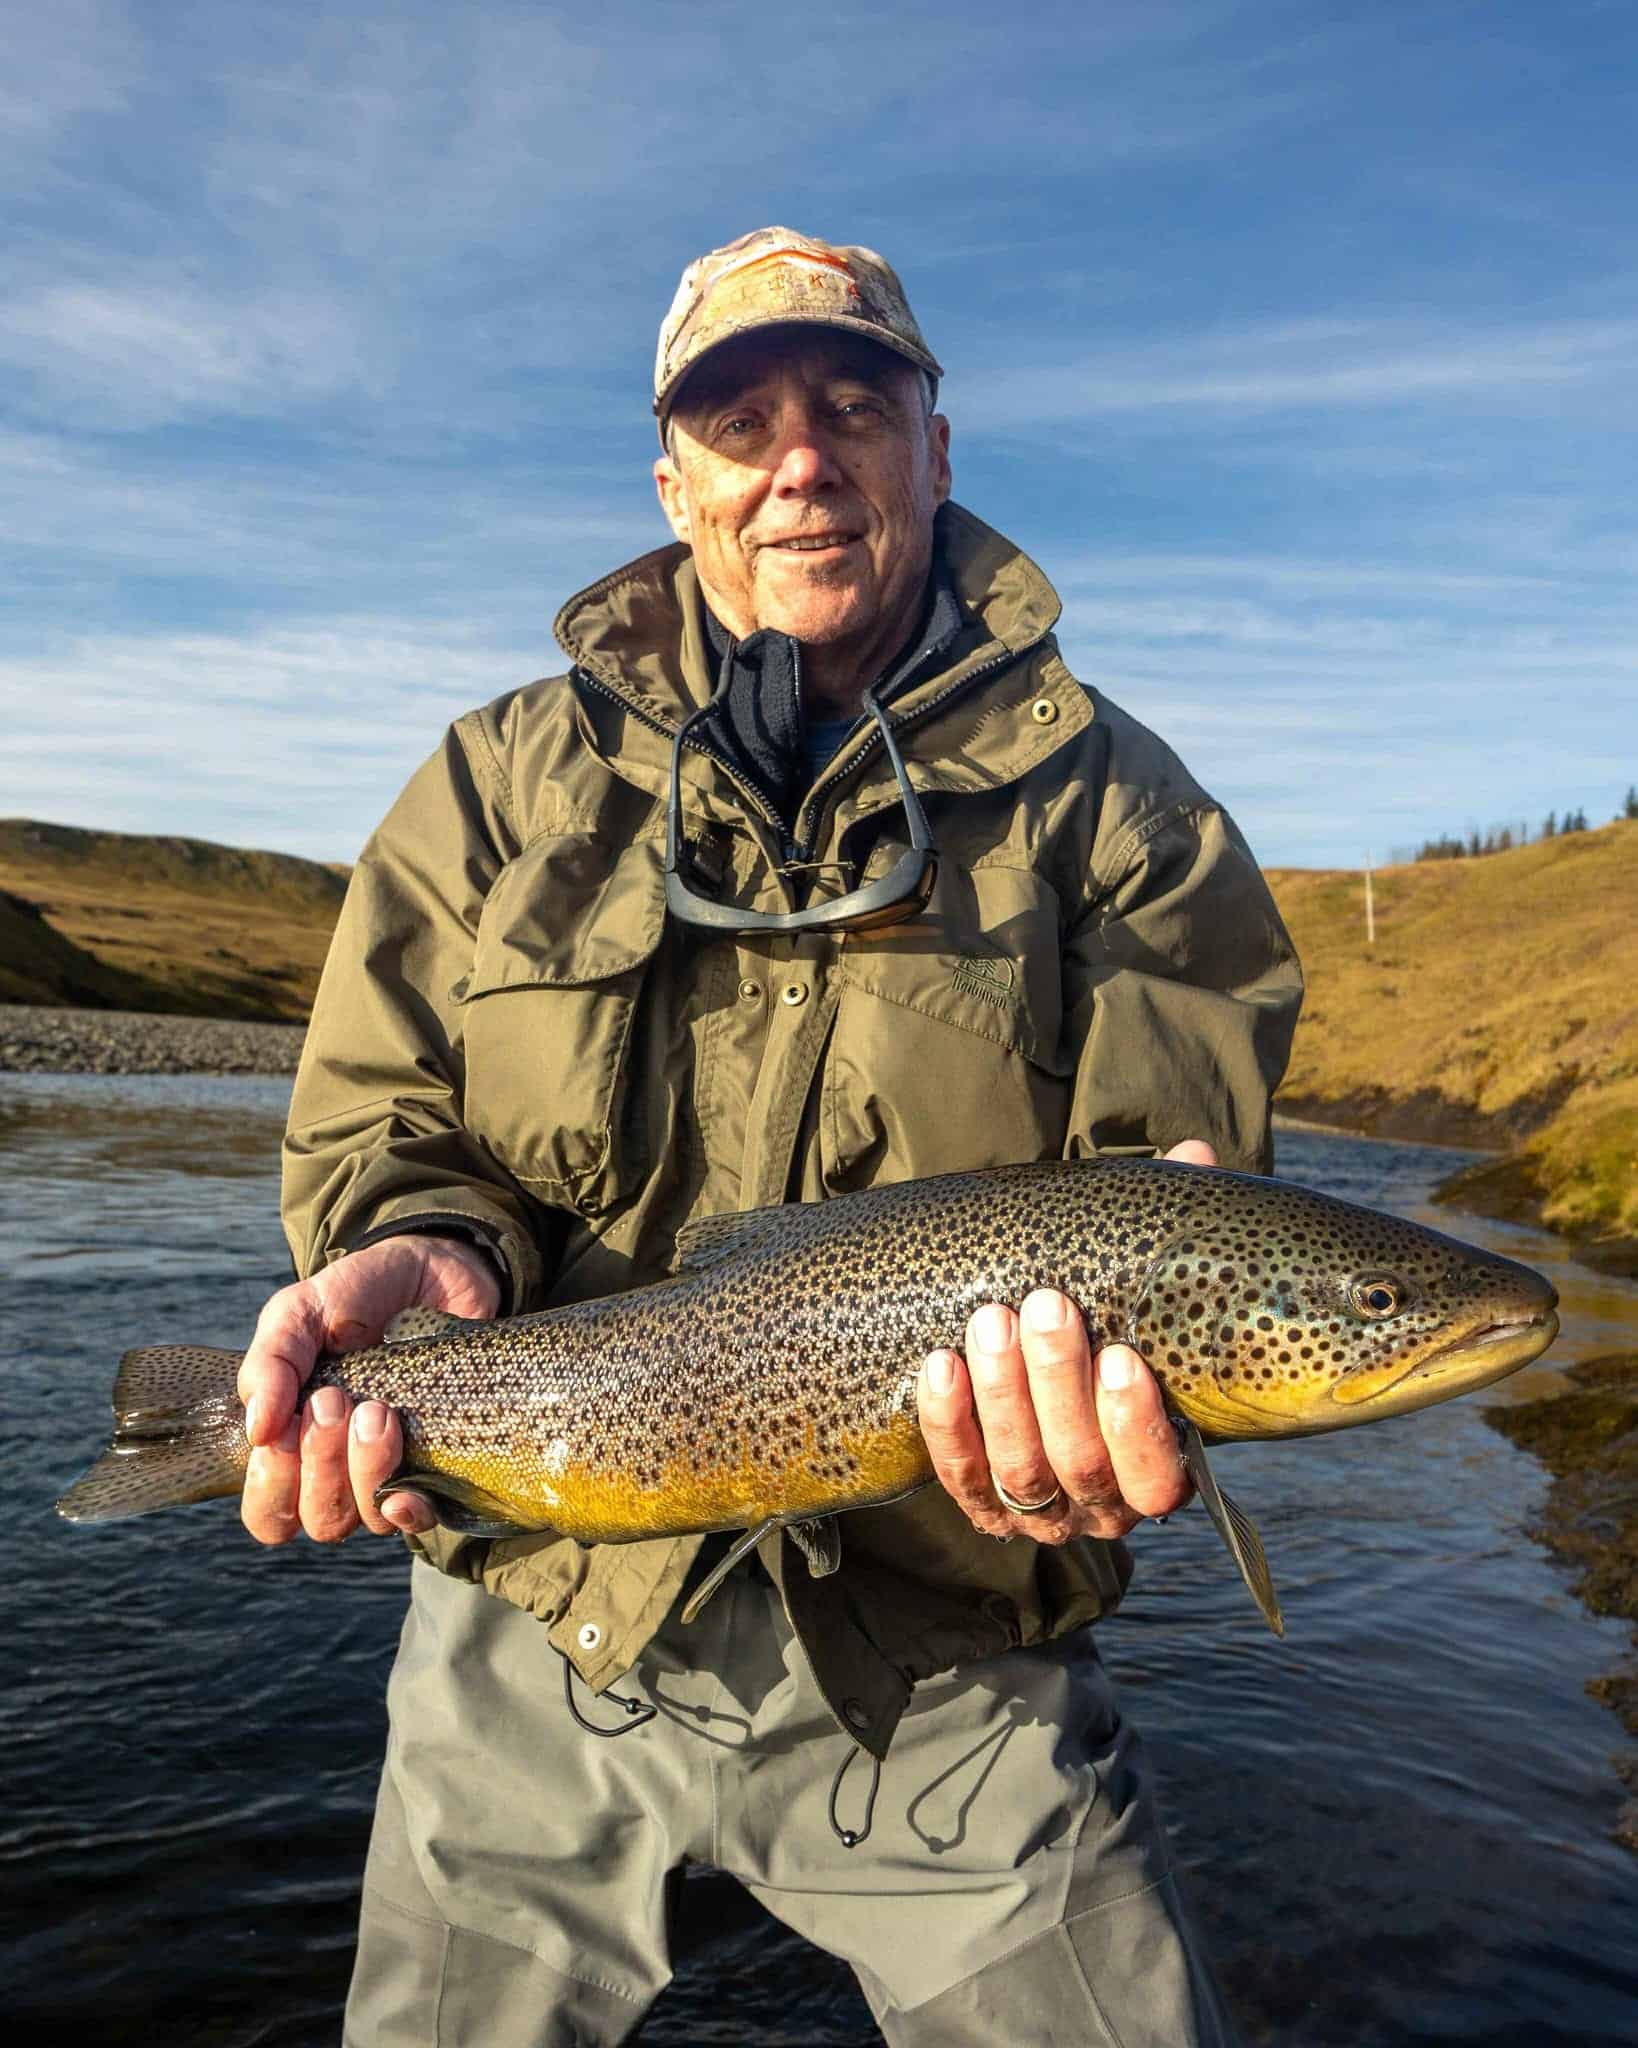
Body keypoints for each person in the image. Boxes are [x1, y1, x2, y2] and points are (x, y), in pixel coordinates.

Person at [240, 227, 1303, 2045]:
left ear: (935, 448)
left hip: (955, 1653)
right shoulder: (496, 784)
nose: (799, 456)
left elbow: (1166, 1197)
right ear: (678, 484)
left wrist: (1107, 1411)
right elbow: (387, 1126)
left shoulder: (1124, 815)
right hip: (535, 1615)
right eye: (739, 420)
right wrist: (429, 1245)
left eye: (852, 404)